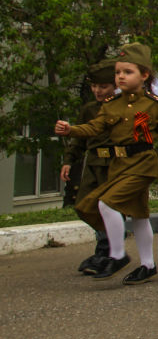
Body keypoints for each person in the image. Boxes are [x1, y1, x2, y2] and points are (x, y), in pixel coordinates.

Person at [55, 44, 158, 284]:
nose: (121, 76)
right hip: (119, 165)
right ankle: (148, 265)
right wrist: (71, 130)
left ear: (144, 75)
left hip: (143, 163)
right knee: (139, 216)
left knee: (106, 203)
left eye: (127, 72)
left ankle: (117, 255)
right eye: (118, 72)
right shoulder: (111, 104)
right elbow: (94, 127)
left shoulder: (153, 104)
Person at [59, 59, 117, 274]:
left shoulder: (124, 106)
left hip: (115, 164)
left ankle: (107, 252)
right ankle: (106, 249)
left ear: (114, 85)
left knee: (108, 207)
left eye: (103, 87)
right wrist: (68, 160)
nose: (97, 91)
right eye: (94, 86)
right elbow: (79, 139)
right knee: (85, 206)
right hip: (93, 164)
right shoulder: (90, 109)